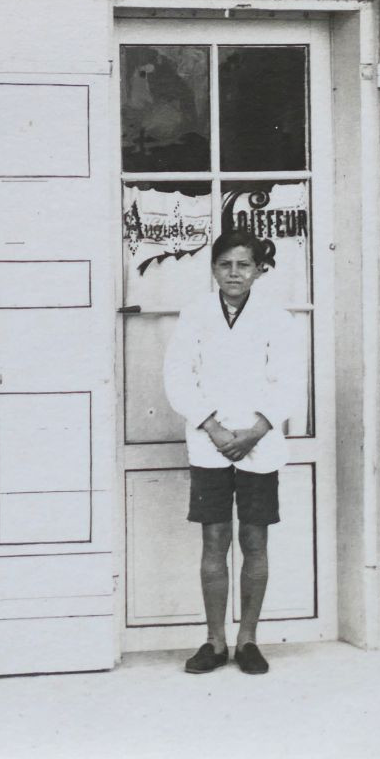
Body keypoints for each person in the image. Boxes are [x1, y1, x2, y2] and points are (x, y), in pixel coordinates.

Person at [162, 229, 299, 676]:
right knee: (214, 540)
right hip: (209, 443)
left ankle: (248, 641)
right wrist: (215, 429)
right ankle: (215, 640)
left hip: (260, 444)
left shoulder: (277, 318)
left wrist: (256, 430)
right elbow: (179, 377)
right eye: (225, 264)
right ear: (214, 268)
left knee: (255, 540)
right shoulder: (195, 314)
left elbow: (290, 382)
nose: (234, 273)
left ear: (259, 269)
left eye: (243, 264)